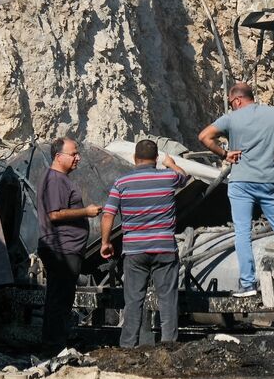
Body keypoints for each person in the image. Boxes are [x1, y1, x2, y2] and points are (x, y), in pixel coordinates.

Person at [198, 82, 274, 298]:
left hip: (241, 182)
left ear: (238, 100)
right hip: (269, 180)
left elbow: (204, 136)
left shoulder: (232, 118)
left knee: (243, 232)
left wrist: (225, 154)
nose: (232, 107)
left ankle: (248, 284)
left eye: (232, 103)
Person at [100, 139, 189, 348]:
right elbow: (184, 177)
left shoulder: (121, 183)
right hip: (164, 248)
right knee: (167, 299)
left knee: (133, 301)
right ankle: (168, 345)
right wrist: (171, 163)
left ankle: (128, 346)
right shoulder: (168, 177)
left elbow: (108, 215)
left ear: (134, 158)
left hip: (134, 250)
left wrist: (105, 242)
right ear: (156, 158)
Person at [35, 137, 101, 353]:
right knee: (59, 299)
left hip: (65, 248)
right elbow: (55, 214)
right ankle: (54, 347)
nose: (78, 158)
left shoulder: (57, 178)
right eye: (73, 154)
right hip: (62, 249)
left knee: (61, 298)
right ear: (58, 156)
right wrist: (86, 212)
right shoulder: (55, 180)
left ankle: (57, 342)